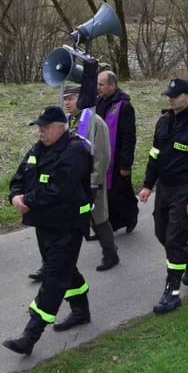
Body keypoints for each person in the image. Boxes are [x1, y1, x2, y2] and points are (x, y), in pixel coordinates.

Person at [3, 107, 93, 355]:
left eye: (45, 126)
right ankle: (81, 311)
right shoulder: (38, 148)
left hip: (68, 223)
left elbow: (59, 189)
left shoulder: (75, 150)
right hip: (44, 223)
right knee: (66, 270)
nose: (40, 131)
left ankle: (29, 336)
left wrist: (28, 200)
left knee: (54, 277)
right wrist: (15, 196)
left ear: (60, 127)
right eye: (39, 126)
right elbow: (19, 175)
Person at [137, 79, 188, 314]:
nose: (170, 98)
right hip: (164, 189)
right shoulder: (163, 122)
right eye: (168, 95)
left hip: (186, 189)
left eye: (175, 95)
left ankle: (172, 292)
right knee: (162, 233)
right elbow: (154, 156)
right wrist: (148, 185)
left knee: (174, 240)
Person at [64, 85, 118, 272]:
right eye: (65, 99)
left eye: (70, 98)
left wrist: (94, 182)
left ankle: (111, 254)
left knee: (99, 220)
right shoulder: (66, 121)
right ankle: (54, 263)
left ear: (82, 98)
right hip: (70, 181)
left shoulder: (96, 123)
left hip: (90, 181)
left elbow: (102, 156)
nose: (67, 102)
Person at [95, 71, 138, 233]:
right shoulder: (99, 102)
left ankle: (131, 216)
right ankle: (110, 223)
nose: (97, 87)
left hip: (118, 159)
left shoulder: (124, 106)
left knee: (121, 193)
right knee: (106, 193)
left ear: (112, 85)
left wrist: (125, 164)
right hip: (103, 157)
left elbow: (128, 137)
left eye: (101, 84)